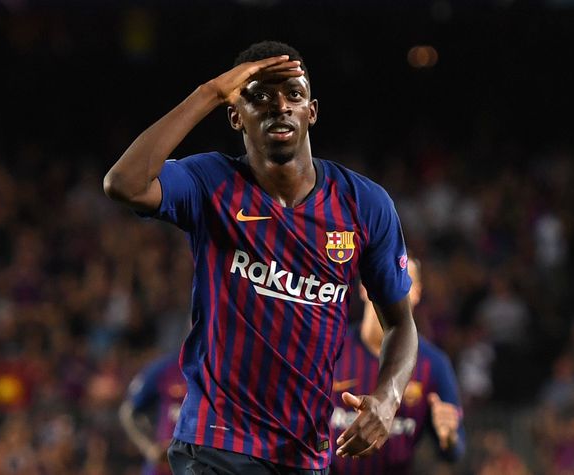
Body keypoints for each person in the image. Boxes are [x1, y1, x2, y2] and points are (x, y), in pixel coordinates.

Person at [104, 40, 418, 474]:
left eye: (293, 94)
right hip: (214, 443)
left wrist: (388, 398)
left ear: (312, 111)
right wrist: (211, 91)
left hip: (303, 455)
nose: (279, 106)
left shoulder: (364, 205)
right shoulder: (210, 181)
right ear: (236, 115)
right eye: (259, 96)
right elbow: (124, 182)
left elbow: (400, 324)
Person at [330, 257, 466, 474]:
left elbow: (453, 452)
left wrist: (449, 437)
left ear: (418, 293)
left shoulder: (434, 364)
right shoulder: (332, 348)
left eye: (406, 281)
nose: (395, 288)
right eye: (386, 278)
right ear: (364, 287)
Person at [119, 353, 187, 475]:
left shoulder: (220, 371)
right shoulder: (166, 368)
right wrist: (150, 448)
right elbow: (128, 411)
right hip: (162, 467)